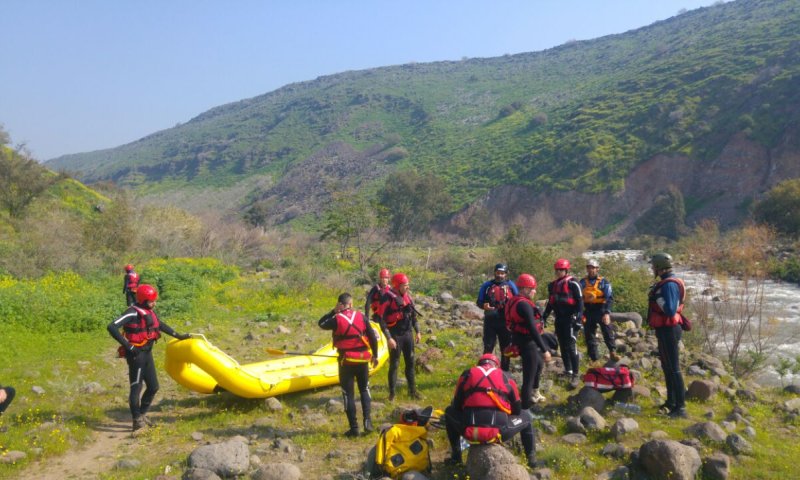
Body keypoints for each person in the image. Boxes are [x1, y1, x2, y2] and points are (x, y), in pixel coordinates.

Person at [107, 284, 191, 431]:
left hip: (147, 353)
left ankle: (142, 415)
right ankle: (136, 420)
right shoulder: (132, 312)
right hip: (136, 355)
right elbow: (112, 327)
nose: (154, 303)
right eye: (152, 301)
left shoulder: (148, 311)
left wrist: (179, 336)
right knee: (136, 387)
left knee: (153, 387)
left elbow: (160, 325)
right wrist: (129, 346)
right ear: (143, 300)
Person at [444, 353, 538, 468]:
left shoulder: (466, 374)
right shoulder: (506, 376)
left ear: (479, 364)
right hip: (499, 432)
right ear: (496, 365)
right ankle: (531, 460)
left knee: (448, 412)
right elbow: (517, 410)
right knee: (526, 416)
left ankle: (456, 457)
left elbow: (456, 407)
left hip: (469, 430)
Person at [319, 293, 380, 437]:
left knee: (348, 394)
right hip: (362, 360)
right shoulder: (361, 316)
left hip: (345, 361)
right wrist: (375, 355)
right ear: (351, 304)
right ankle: (367, 422)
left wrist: (333, 311)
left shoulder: (336, 319)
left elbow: (321, 323)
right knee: (364, 389)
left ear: (340, 304)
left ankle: (354, 428)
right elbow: (372, 337)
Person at [647, 252, 688, 419]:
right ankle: (671, 402)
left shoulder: (668, 285)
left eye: (653, 266)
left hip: (670, 330)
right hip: (665, 330)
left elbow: (670, 310)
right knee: (667, 366)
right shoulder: (665, 282)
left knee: (674, 368)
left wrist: (658, 299)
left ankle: (681, 408)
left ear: (659, 267)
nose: (652, 269)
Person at [505, 274, 553, 406]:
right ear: (525, 289)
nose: (535, 291)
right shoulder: (524, 305)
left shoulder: (513, 300)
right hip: (527, 343)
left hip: (519, 339)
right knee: (528, 378)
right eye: (533, 288)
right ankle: (524, 408)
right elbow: (532, 329)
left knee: (538, 364)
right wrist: (545, 350)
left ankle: (535, 393)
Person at [542, 258, 584, 389]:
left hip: (571, 319)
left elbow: (580, 302)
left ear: (566, 270)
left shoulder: (573, 283)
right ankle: (568, 370)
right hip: (559, 319)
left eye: (562, 270)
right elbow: (550, 303)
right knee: (562, 346)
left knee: (571, 346)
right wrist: (544, 316)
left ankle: (576, 374)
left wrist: (578, 319)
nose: (559, 272)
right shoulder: (552, 285)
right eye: (557, 270)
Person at [379, 272, 421, 401]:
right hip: (395, 335)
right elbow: (381, 320)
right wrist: (389, 338)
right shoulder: (387, 298)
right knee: (395, 364)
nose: (407, 287)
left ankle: (412, 391)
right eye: (405, 285)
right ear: (397, 286)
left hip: (408, 334)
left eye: (408, 285)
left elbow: (414, 317)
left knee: (410, 362)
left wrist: (418, 331)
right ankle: (392, 394)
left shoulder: (408, 297)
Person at [476, 263, 518, 371]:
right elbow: (479, 302)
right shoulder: (487, 285)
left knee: (505, 348)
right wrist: (483, 305)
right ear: (494, 273)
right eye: (498, 273)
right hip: (490, 322)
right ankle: (485, 370)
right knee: (488, 346)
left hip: (506, 322)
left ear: (506, 274)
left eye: (502, 273)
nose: (500, 275)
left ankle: (505, 372)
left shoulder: (511, 285)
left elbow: (518, 301)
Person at [580, 259, 620, 363]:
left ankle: (612, 352)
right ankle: (594, 359)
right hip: (588, 310)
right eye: (589, 267)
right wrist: (580, 313)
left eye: (593, 268)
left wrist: (606, 313)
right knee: (589, 335)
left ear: (597, 269)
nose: (591, 270)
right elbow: (578, 298)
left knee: (607, 330)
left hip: (600, 309)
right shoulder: (582, 282)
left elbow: (609, 298)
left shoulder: (604, 282)